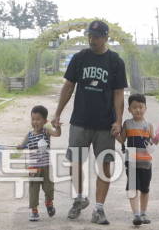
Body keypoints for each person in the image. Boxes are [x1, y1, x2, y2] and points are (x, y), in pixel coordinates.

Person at [52, 19, 128, 224]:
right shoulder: (80, 58)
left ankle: (99, 209)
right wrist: (58, 113)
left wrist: (118, 121)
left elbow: (119, 94)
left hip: (105, 125)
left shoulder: (115, 62)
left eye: (95, 37)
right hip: (80, 122)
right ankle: (79, 198)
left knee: (104, 166)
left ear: (106, 38)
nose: (91, 40)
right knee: (75, 163)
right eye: (89, 36)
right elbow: (68, 87)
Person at [18, 104, 60, 221]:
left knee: (49, 188)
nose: (35, 122)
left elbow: (57, 134)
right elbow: (22, 145)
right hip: (33, 168)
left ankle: (49, 202)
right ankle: (34, 212)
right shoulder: (29, 135)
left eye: (38, 119)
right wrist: (20, 146)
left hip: (47, 166)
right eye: (33, 119)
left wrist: (58, 127)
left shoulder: (46, 132)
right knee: (33, 190)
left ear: (45, 121)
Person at [122, 94, 154, 225]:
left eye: (141, 107)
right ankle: (136, 215)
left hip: (146, 161)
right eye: (134, 107)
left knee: (145, 189)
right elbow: (122, 139)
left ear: (146, 108)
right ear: (129, 109)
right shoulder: (127, 124)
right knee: (133, 187)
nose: (138, 110)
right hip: (131, 160)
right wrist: (114, 134)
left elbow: (153, 143)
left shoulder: (149, 125)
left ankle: (143, 213)